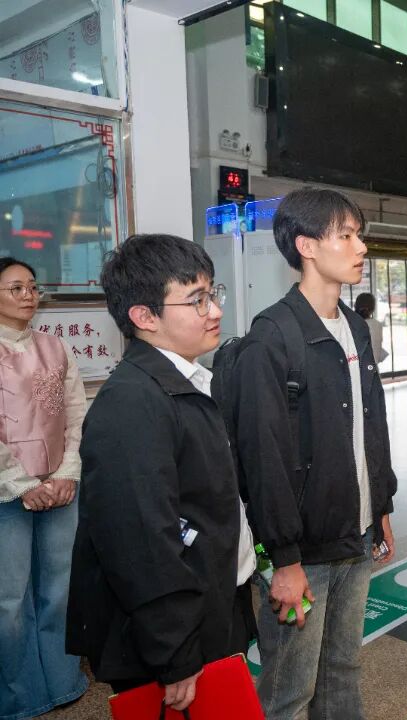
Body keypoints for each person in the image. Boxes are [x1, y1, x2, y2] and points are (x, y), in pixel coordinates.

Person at [67, 234, 255, 712]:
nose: (215, 310)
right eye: (197, 300)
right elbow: (139, 542)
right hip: (170, 635)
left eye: (213, 293)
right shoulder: (131, 402)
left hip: (208, 602)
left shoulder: (188, 380)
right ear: (144, 316)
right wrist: (174, 650)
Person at [230, 187, 398, 719]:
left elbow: (372, 424)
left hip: (357, 530)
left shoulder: (355, 327)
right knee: (290, 687)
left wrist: (382, 504)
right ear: (306, 245)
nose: (360, 247)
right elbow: (262, 459)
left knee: (343, 667)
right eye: (345, 235)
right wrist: (283, 559)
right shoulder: (272, 336)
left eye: (359, 235)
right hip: (303, 550)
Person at [0, 259, 88, 718]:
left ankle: (62, 681)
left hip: (59, 488)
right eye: (16, 288)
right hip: (6, 493)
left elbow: (76, 414)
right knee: (9, 601)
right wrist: (21, 484)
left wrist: (67, 472)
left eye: (32, 287)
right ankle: (19, 696)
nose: (28, 295)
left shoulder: (55, 346)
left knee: (60, 590)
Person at [354, 292, 389, 363]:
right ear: (373, 308)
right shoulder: (377, 325)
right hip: (373, 367)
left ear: (355, 306)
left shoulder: (350, 323)